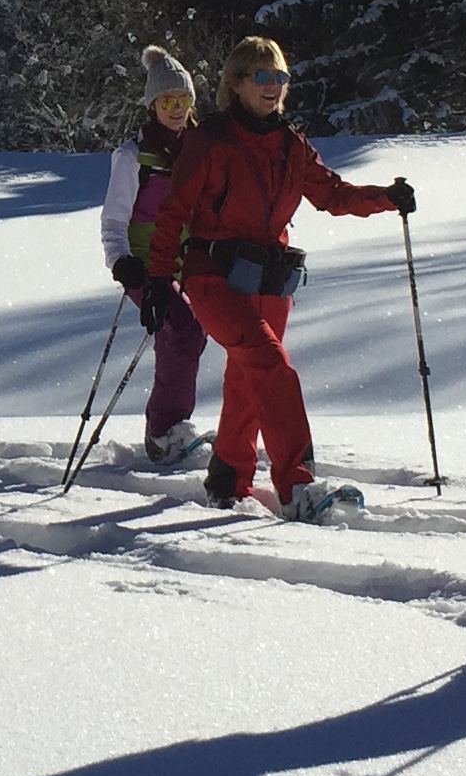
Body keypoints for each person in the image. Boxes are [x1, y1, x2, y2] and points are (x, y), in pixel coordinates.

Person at [144, 37, 412, 521]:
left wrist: (386, 198)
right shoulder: (210, 140)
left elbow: (333, 195)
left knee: (249, 379)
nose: (274, 86)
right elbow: (173, 211)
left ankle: (227, 480)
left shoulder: (291, 143)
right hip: (213, 276)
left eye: (281, 77)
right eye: (262, 77)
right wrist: (160, 281)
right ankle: (297, 487)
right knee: (272, 367)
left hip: (270, 279)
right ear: (236, 84)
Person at [99, 45, 213, 467]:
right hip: (144, 265)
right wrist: (121, 262)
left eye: (184, 100)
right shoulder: (132, 157)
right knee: (184, 330)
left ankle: (166, 429)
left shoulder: (200, 149)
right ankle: (166, 431)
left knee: (184, 334)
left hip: (189, 263)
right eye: (167, 102)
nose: (177, 109)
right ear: (152, 105)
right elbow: (114, 220)